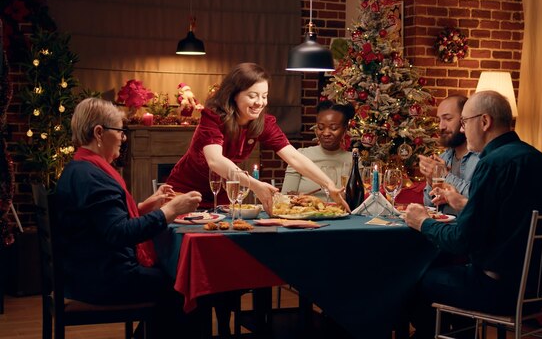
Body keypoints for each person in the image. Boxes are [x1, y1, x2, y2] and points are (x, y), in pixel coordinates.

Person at [403, 91, 542, 338]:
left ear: (485, 122)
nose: (463, 131)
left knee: (417, 280)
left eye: (465, 122)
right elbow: (507, 218)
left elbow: (462, 239)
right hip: (536, 291)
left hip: (498, 289)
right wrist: (465, 205)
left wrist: (422, 222)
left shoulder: (493, 163)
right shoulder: (540, 160)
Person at [55, 98, 203, 337]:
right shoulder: (94, 177)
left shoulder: (80, 168)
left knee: (179, 281)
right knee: (187, 286)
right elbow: (119, 233)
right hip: (102, 279)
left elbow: (103, 221)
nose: (124, 138)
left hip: (82, 272)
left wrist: (146, 206)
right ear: (99, 132)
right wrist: (170, 211)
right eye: (120, 131)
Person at [167, 62, 349, 214]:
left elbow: (293, 157)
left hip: (222, 197)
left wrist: (329, 185)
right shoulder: (213, 117)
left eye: (264, 96)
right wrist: (255, 185)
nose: (260, 102)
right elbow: (215, 161)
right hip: (184, 192)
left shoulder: (263, 123)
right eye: (252, 96)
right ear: (233, 96)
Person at [418, 95, 479, 215]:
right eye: (439, 120)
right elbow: (429, 205)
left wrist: (445, 175)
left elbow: (479, 198)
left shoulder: (482, 158)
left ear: (464, 120)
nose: (441, 126)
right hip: (442, 230)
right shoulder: (444, 157)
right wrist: (431, 181)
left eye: (448, 119)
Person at [281, 100, 354, 199]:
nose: (326, 133)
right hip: (307, 213)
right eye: (320, 127)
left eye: (333, 128)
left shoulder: (354, 161)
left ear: (345, 130)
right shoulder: (300, 156)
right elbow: (286, 197)